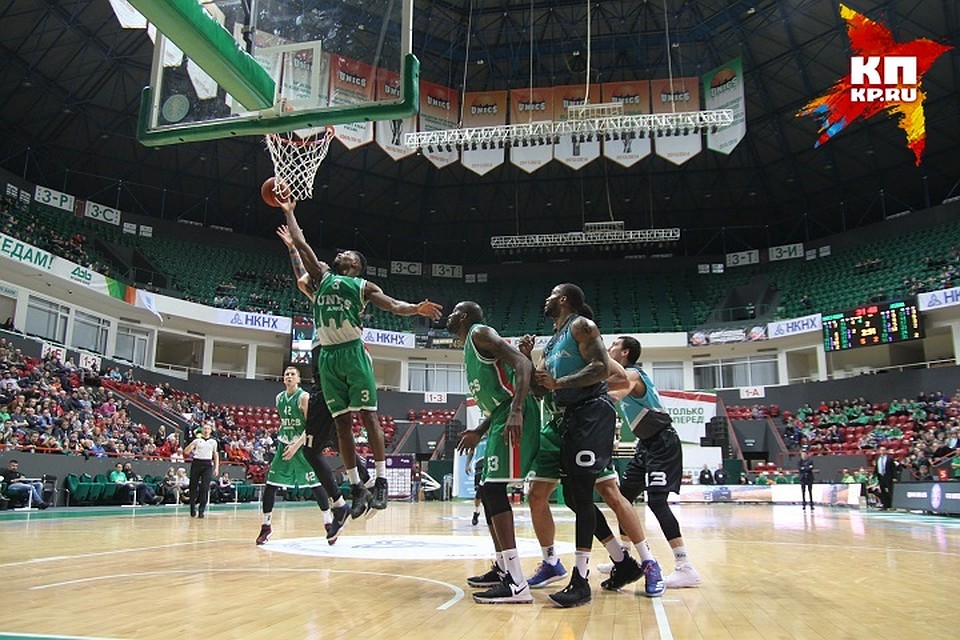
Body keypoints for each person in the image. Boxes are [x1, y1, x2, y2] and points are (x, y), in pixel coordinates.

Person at [279, 202, 442, 518]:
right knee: (342, 425)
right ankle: (356, 487)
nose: (341, 254)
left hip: (353, 352)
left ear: (355, 265)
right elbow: (301, 243)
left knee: (368, 417)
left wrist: (415, 309)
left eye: (347, 254)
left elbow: (392, 305)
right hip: (328, 357)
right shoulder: (321, 277)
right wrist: (289, 211)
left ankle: (380, 481)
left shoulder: (363, 286)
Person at [532, 284, 664, 606]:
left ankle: (643, 563)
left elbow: (614, 373)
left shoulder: (581, 327)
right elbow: (542, 389)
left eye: (552, 294)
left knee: (608, 494)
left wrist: (583, 392)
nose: (546, 298)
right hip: (564, 422)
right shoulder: (551, 344)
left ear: (564, 299)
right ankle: (622, 561)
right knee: (574, 498)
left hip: (590, 419)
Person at [449, 301, 541, 604]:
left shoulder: (480, 333)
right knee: (487, 492)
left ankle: (516, 582)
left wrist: (516, 411)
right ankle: (503, 568)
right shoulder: (469, 345)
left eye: (453, 312)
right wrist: (479, 430)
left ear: (463, 316)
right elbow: (498, 399)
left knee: (493, 490)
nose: (449, 316)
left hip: (515, 412)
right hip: (501, 414)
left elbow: (523, 364)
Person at [278, 224, 363, 537]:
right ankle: (342, 502)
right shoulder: (321, 292)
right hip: (322, 373)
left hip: (336, 366)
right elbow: (303, 275)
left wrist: (296, 245)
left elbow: (310, 270)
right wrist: (292, 247)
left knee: (339, 433)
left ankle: (361, 485)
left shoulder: (350, 291)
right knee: (317, 448)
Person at [599, 336, 701, 589]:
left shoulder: (633, 374)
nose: (610, 348)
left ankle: (685, 566)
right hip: (645, 444)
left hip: (663, 441)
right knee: (623, 499)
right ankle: (624, 556)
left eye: (614, 345)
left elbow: (613, 394)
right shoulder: (625, 375)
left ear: (625, 352)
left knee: (657, 501)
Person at [257, 366, 349, 545]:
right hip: (284, 444)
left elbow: (310, 427)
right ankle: (266, 526)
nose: (289, 376)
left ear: (298, 379)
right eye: (287, 374)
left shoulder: (304, 397)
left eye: (293, 374)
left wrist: (295, 446)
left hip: (301, 446)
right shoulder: (279, 398)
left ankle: (328, 523)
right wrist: (286, 443)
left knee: (315, 485)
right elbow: (285, 422)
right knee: (271, 485)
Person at [183, 421, 219, 518]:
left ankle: (201, 510)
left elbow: (215, 455)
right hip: (197, 463)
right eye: (205, 428)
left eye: (208, 429)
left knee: (205, 487)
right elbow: (186, 452)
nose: (206, 430)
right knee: (193, 486)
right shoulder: (197, 440)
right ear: (202, 430)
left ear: (210, 430)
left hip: (207, 464)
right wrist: (191, 445)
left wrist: (216, 468)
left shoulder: (213, 442)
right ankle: (192, 508)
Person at [875, 445, 898, 509]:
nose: (882, 451)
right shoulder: (878, 459)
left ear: (886, 451)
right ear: (879, 451)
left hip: (888, 477)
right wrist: (874, 475)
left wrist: (894, 477)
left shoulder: (890, 459)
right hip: (881, 477)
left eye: (884, 450)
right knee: (883, 491)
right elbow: (877, 468)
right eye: (881, 450)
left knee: (890, 491)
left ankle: (892, 505)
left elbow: (893, 469)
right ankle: (885, 505)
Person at [471, 456, 484, 526]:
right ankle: (476, 512)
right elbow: (471, 451)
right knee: (478, 493)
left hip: (491, 462)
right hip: (480, 463)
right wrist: (467, 464)